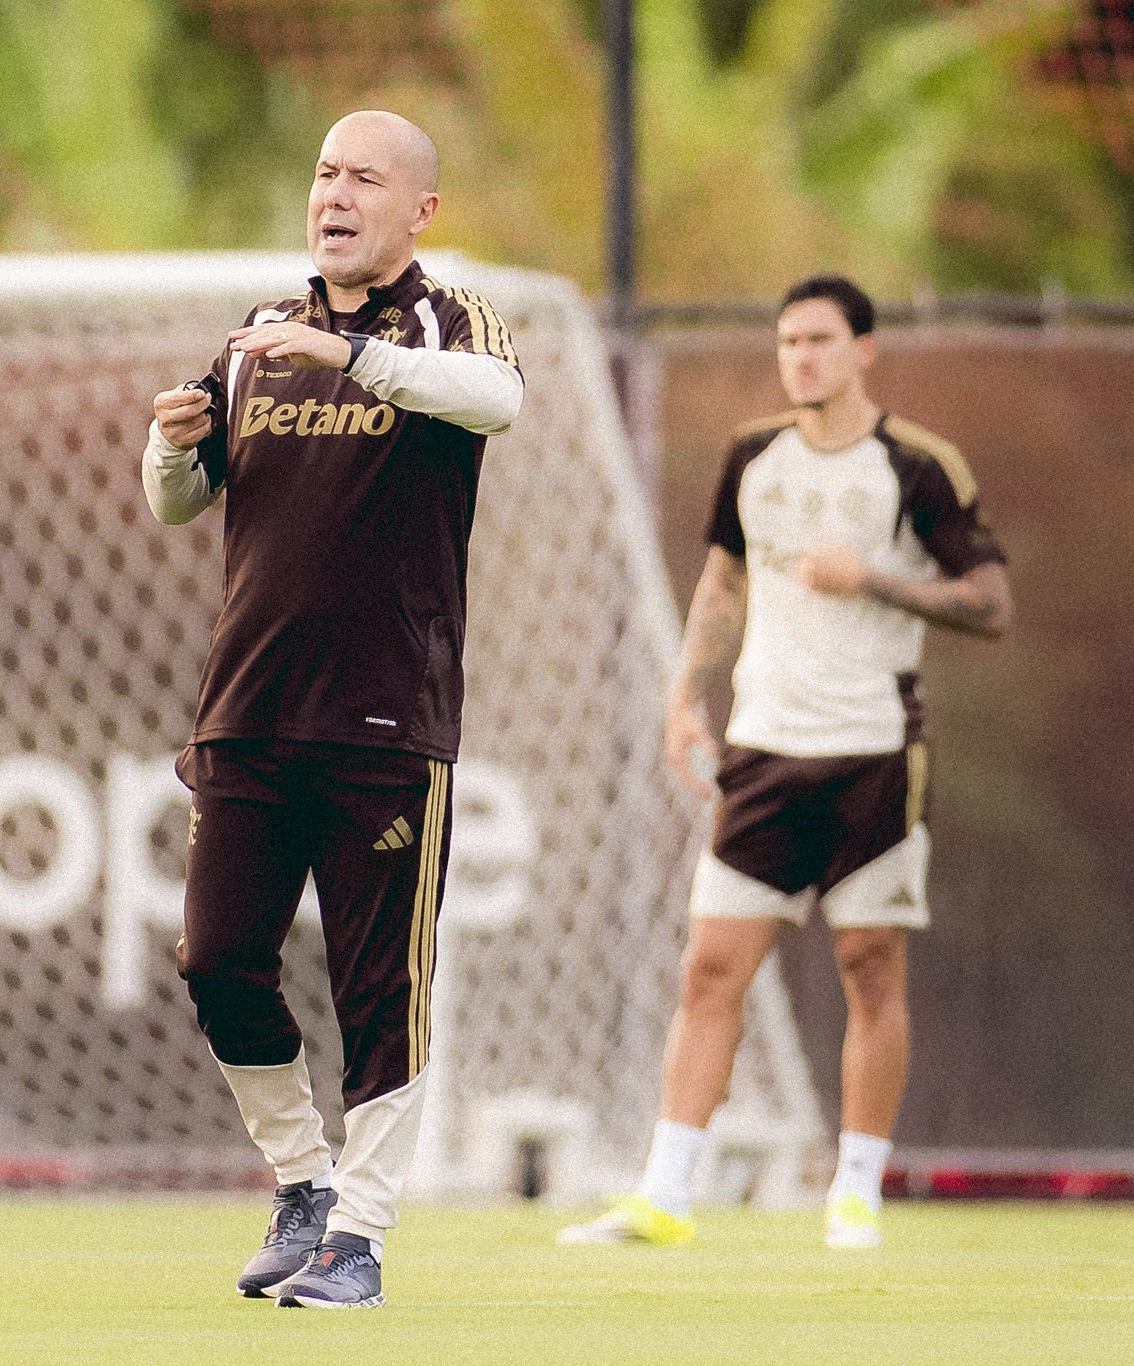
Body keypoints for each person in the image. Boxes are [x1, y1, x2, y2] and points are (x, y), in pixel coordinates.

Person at [141, 110, 523, 1309]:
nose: (334, 194)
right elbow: (180, 503)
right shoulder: (257, 336)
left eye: (363, 176)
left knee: (377, 998)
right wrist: (169, 447)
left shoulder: (448, 322)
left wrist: (348, 357)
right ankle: (301, 1185)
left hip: (385, 723)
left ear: (420, 210)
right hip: (245, 710)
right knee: (217, 962)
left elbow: (495, 400)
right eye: (321, 173)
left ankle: (356, 1239)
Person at [560, 274, 1012, 1252]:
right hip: (762, 751)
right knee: (710, 969)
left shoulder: (917, 466)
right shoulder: (752, 456)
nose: (799, 357)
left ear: (863, 350)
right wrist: (685, 695)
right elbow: (723, 582)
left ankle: (854, 1193)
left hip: (872, 752)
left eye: (818, 340)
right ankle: (663, 1196)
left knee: (867, 966)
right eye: (787, 342)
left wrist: (872, 580)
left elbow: (989, 602)